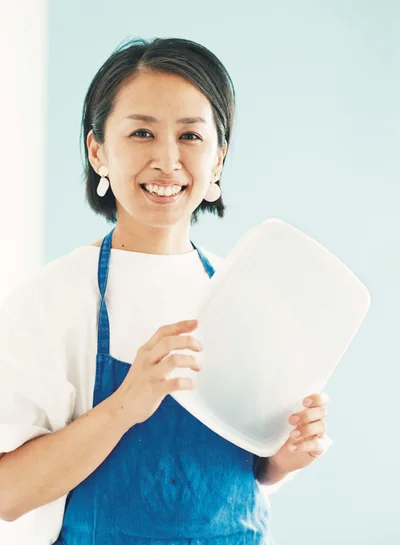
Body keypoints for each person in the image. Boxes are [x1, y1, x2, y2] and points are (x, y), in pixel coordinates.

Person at [0, 37, 331, 545]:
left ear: (218, 159)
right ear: (98, 151)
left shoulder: (245, 297)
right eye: (141, 132)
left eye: (191, 137)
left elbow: (250, 474)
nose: (167, 160)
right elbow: (8, 493)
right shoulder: (52, 299)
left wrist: (284, 458)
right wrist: (124, 407)